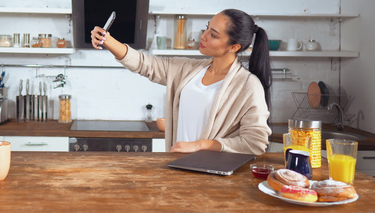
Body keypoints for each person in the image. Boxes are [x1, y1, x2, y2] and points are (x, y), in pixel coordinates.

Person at [91, 9, 272, 155]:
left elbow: (255, 143)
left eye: (213, 35)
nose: (203, 36)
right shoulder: (187, 70)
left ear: (234, 47)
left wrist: (201, 145)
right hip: (177, 165)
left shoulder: (248, 85)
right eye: (207, 28)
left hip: (214, 175)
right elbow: (144, 63)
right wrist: (106, 39)